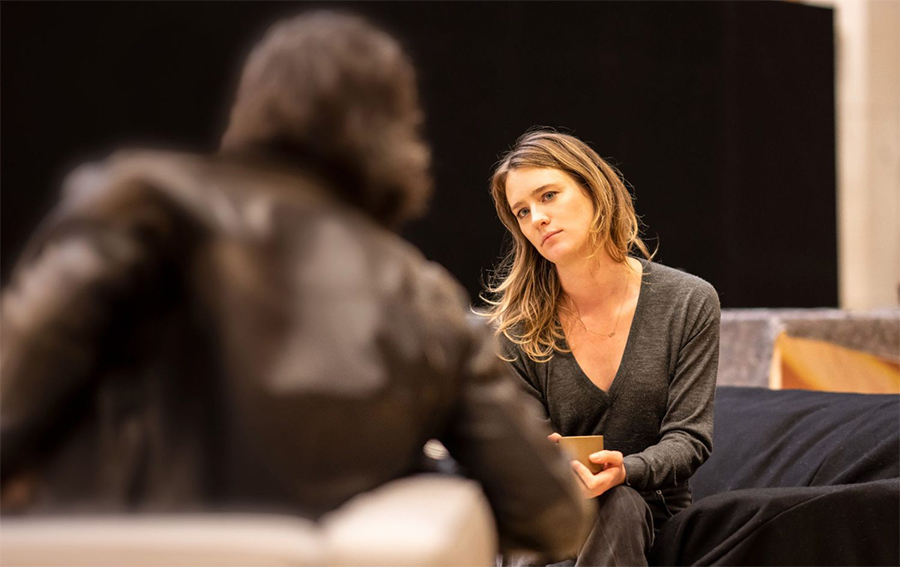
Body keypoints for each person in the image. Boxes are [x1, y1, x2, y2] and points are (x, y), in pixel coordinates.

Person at [0, 13, 592, 559]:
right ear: (394, 138)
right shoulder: (423, 296)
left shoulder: (142, 201)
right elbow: (553, 515)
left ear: (255, 107)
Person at [482, 129, 720, 566]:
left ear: (593, 188)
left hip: (650, 514)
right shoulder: (516, 329)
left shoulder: (688, 301)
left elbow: (689, 438)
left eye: (549, 195)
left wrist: (626, 470)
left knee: (619, 503)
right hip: (556, 522)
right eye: (522, 211)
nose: (537, 217)